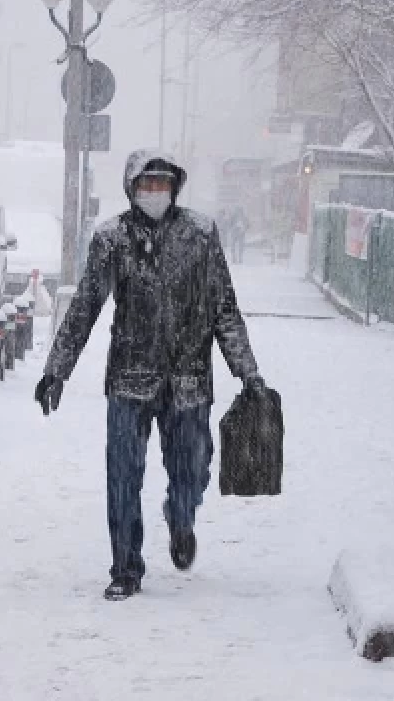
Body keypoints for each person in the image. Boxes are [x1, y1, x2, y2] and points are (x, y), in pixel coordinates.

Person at [34, 149, 268, 601]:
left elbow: (224, 309)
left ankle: (181, 518)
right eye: (147, 185)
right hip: (129, 378)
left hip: (189, 380)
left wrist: (249, 373)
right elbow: (85, 308)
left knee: (193, 470)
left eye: (163, 185)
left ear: (175, 188)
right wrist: (56, 370)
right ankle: (125, 568)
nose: (155, 193)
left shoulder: (200, 236)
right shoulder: (112, 240)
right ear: (132, 189)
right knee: (122, 477)